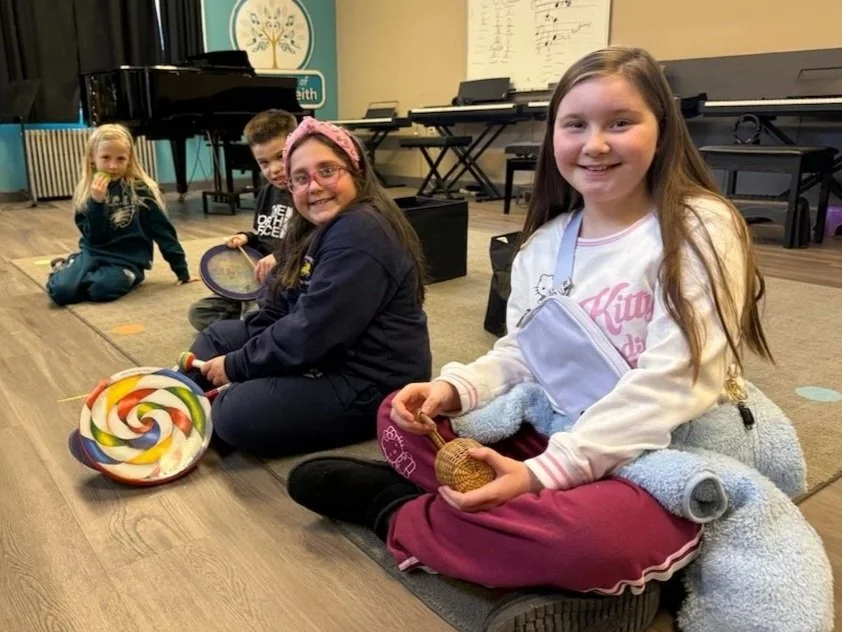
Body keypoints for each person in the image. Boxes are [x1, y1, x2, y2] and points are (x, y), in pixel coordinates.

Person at [286, 46, 773, 628]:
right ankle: (507, 523)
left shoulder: (699, 226)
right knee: (400, 409)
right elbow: (523, 350)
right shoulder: (545, 242)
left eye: (621, 122)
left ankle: (394, 510)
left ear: (663, 131)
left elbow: (677, 380)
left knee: (594, 542)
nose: (595, 144)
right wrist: (456, 390)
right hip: (559, 431)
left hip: (656, 451)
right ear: (554, 138)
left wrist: (544, 474)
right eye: (576, 125)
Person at [185, 117, 432, 458]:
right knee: (215, 337)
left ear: (356, 170)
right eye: (300, 178)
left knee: (234, 413)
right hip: (326, 354)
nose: (314, 186)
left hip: (367, 383)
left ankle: (202, 398)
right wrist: (240, 351)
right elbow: (282, 305)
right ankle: (185, 391)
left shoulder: (361, 232)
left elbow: (312, 331)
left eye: (327, 170)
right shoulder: (315, 223)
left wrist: (237, 365)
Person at [46, 124, 192, 306]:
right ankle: (69, 268)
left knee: (100, 290)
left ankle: (80, 273)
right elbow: (95, 236)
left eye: (120, 159)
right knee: (61, 292)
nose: (113, 166)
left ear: (129, 160)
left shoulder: (142, 190)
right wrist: (97, 203)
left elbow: (163, 231)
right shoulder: (85, 192)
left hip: (127, 260)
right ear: (92, 158)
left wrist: (181, 269)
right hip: (93, 252)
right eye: (105, 158)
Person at [188, 109, 298, 332]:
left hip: (285, 282)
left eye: (280, 157)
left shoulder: (308, 196)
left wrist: (279, 257)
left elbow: (314, 244)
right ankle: (250, 323)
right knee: (199, 313)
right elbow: (264, 235)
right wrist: (246, 238)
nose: (274, 169)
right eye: (264, 163)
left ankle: (253, 325)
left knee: (253, 318)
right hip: (256, 281)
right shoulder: (267, 193)